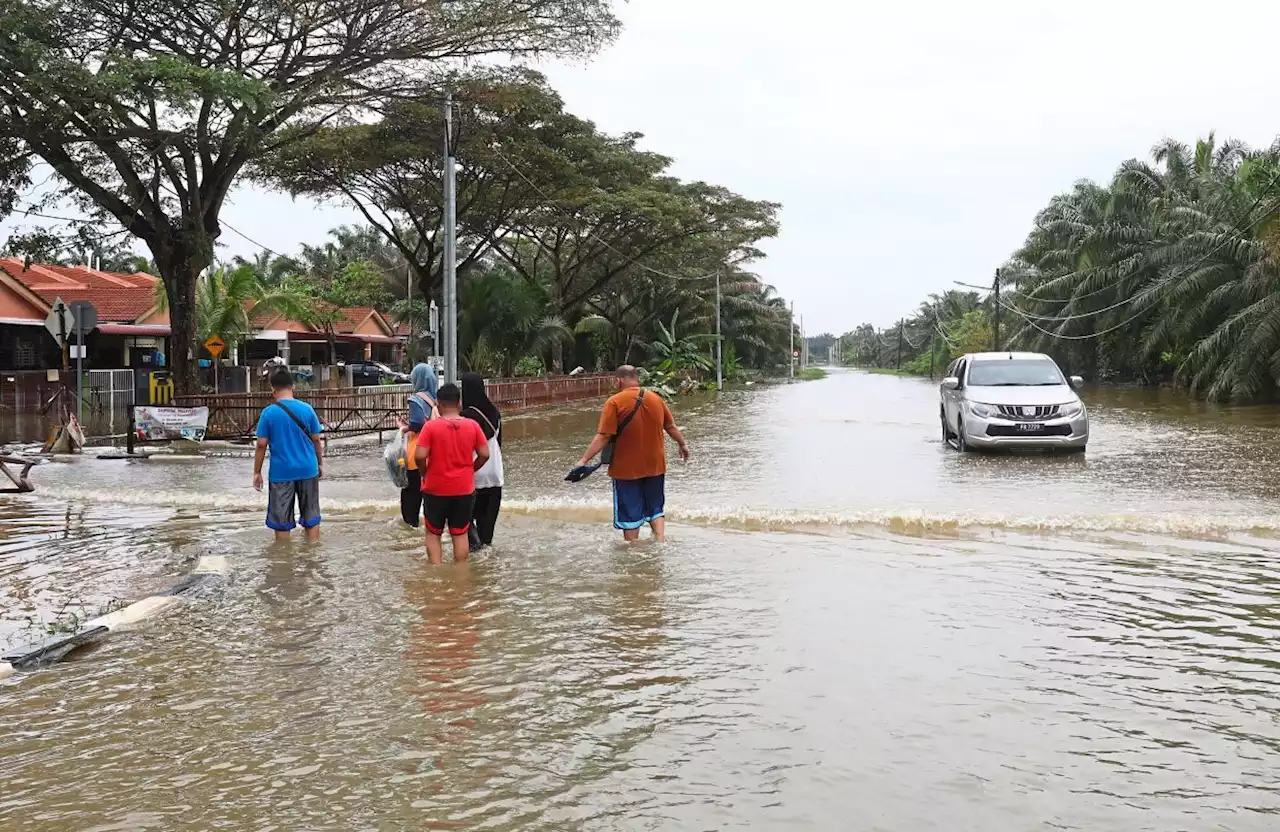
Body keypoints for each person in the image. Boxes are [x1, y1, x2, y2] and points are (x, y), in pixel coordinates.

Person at [575, 365, 689, 541]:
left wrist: (583, 460)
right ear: (637, 379)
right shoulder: (656, 399)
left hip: (626, 470)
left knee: (630, 515)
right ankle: (659, 540)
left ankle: (634, 552)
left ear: (618, 380)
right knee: (655, 509)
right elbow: (671, 427)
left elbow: (604, 436)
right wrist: (682, 444)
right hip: (655, 465)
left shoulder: (614, 402)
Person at [414, 383, 490, 565]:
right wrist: (471, 468)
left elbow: (419, 455)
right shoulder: (472, 426)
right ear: (459, 403)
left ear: (438, 404)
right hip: (464, 489)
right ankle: (461, 573)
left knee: (433, 533)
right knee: (460, 532)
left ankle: (436, 571)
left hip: (435, 488)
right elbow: (485, 454)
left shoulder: (431, 428)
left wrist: (424, 472)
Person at [253, 367, 325, 540]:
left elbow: (261, 445)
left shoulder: (268, 413)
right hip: (308, 469)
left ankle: (284, 561)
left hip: (281, 473)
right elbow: (316, 439)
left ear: (272, 389)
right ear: (293, 387)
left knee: (281, 520)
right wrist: (320, 463)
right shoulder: (307, 409)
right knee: (311, 517)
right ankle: (312, 556)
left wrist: (257, 472)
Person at [460, 371, 504, 549]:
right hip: (495, 475)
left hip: (473, 476)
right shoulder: (495, 413)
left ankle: (473, 569)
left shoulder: (464, 417)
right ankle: (488, 570)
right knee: (487, 537)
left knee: (467, 528)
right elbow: (499, 444)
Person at [399, 363, 439, 527]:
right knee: (427, 493)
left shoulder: (416, 399)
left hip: (417, 453)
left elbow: (416, 423)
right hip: (433, 453)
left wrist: (404, 428)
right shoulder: (435, 400)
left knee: (410, 495)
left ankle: (411, 527)